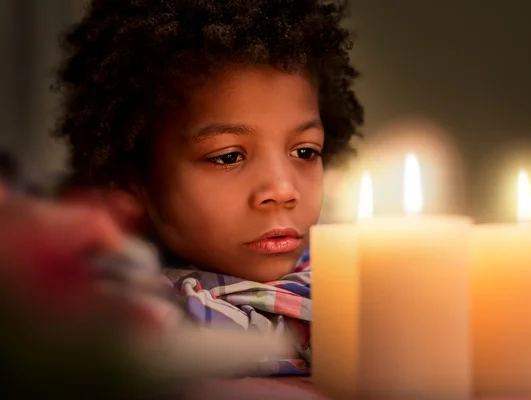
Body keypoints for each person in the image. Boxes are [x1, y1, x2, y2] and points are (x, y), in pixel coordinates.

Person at [1, 0, 363, 377]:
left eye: (305, 151)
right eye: (227, 157)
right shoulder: (116, 316)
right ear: (133, 180)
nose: (283, 190)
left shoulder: (363, 287)